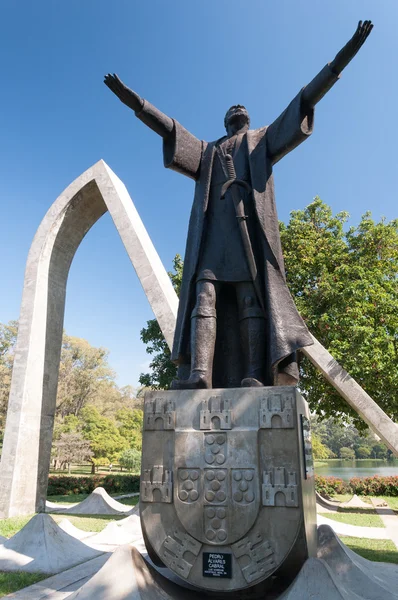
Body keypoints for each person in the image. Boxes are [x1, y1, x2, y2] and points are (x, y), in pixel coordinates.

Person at [105, 20, 372, 390]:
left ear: (246, 119)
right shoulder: (208, 151)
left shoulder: (262, 140)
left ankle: (254, 374)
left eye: (242, 107)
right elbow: (169, 128)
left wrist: (340, 61)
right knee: (204, 298)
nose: (237, 107)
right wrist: (136, 102)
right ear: (227, 121)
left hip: (249, 233)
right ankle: (199, 374)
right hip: (214, 236)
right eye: (231, 108)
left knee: (250, 300)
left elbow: (305, 100)